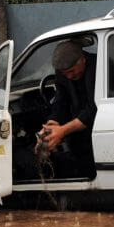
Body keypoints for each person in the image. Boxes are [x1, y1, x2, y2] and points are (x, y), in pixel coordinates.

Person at [37, 40, 97, 177]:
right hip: (79, 135)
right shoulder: (62, 73)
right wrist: (52, 124)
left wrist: (63, 131)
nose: (69, 76)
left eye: (71, 71)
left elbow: (94, 108)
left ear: (83, 59)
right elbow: (61, 101)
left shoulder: (99, 66)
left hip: (99, 127)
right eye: (65, 74)